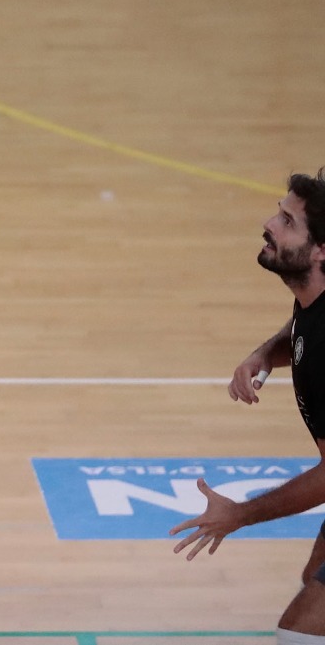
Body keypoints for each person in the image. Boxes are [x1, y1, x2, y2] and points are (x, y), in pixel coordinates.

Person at [172, 169, 325, 640]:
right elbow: (299, 328)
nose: (269, 224)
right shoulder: (314, 299)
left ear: (321, 251)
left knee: (301, 630)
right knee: (313, 584)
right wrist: (266, 353)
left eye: (287, 222)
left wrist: (240, 514)